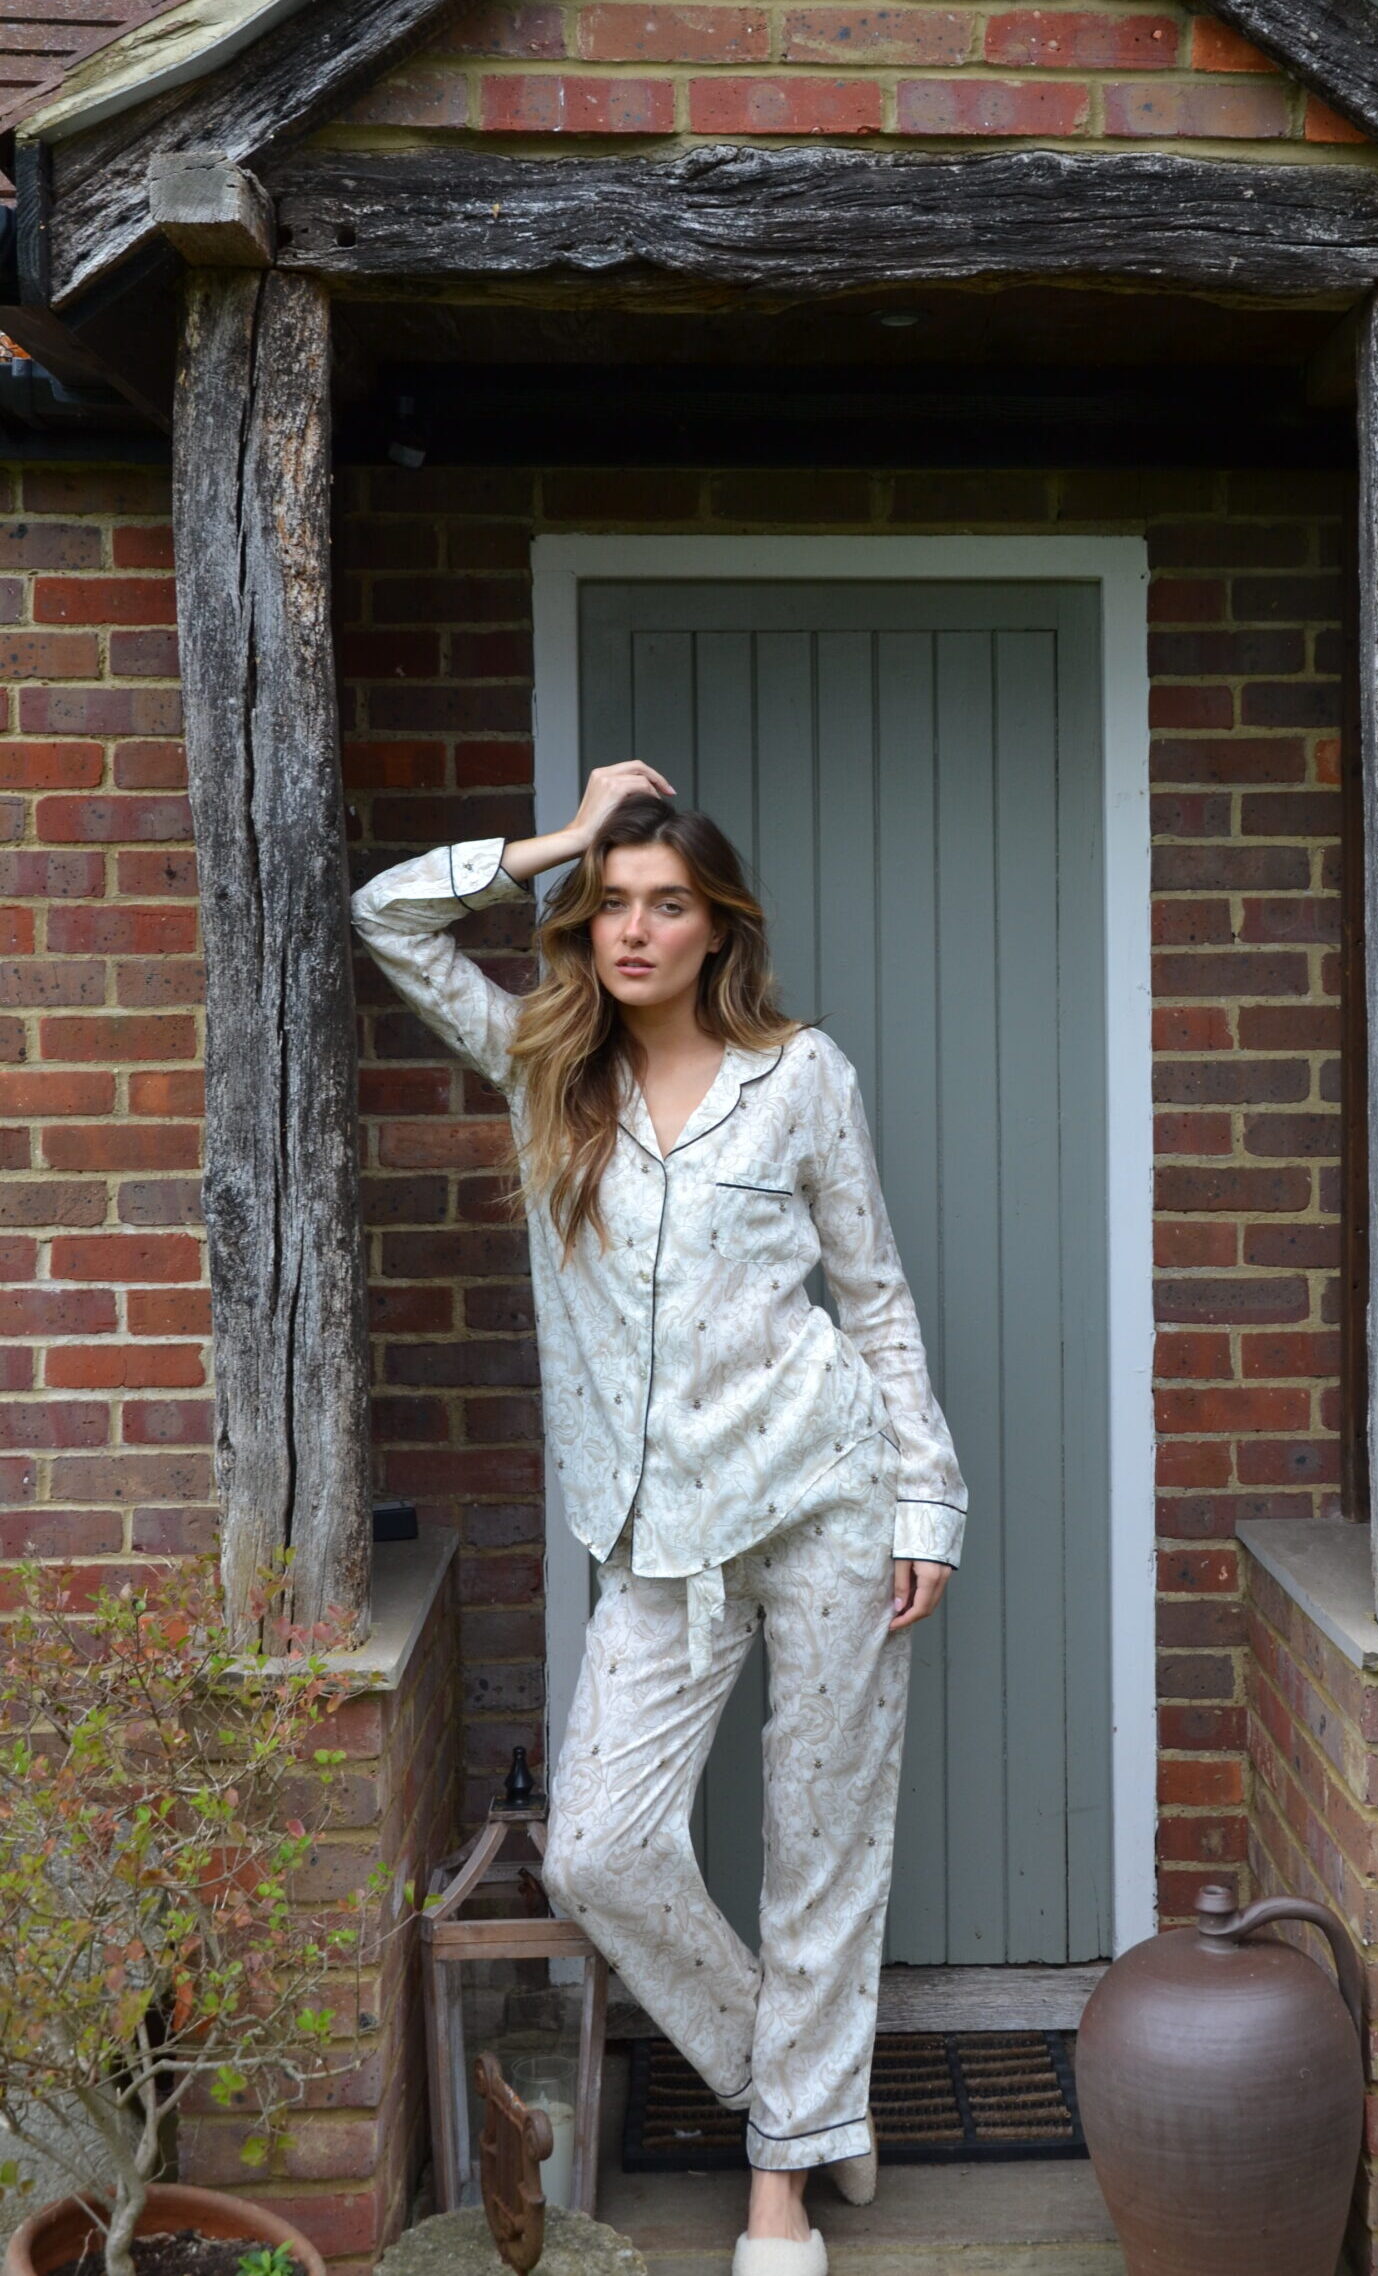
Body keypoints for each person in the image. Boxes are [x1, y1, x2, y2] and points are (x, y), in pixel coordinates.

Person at [349, 761, 967, 2276]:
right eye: (610, 903)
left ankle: (781, 2193)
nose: (633, 929)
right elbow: (387, 920)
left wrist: (926, 1498)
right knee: (602, 1852)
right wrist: (553, 839)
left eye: (665, 903)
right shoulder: (543, 1070)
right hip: (655, 1536)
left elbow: (873, 1298)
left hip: (824, 1496)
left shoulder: (802, 1075)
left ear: (714, 929)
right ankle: (801, 2098)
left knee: (823, 1846)